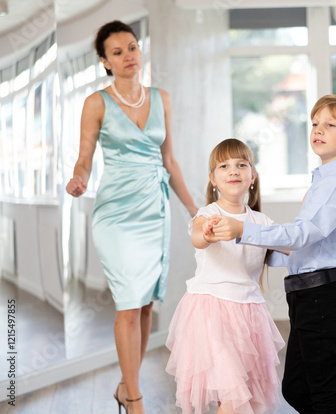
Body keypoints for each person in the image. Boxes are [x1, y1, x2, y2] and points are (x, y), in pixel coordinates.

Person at [207, 95, 336, 413]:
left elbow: (299, 236)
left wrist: (244, 231)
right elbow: (305, 247)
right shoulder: (324, 180)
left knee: (323, 393)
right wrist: (256, 249)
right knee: (297, 389)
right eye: (315, 124)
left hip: (323, 296)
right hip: (307, 294)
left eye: (330, 124)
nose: (318, 130)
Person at [66, 20, 197, 414]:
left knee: (144, 306)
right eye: (117, 52)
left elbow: (168, 160)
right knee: (127, 302)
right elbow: (84, 159)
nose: (128, 56)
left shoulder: (162, 98)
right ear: (105, 61)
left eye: (132, 48)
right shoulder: (96, 103)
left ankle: (127, 385)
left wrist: (193, 208)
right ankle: (136, 400)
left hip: (154, 210)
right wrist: (78, 179)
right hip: (116, 215)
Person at [165, 138, 286, 414]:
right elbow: (198, 237)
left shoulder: (262, 222)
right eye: (224, 166)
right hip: (211, 313)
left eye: (241, 165)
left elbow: (289, 246)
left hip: (250, 315)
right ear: (213, 179)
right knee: (233, 401)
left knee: (246, 401)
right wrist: (207, 232)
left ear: (252, 176)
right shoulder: (208, 214)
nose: (234, 170)